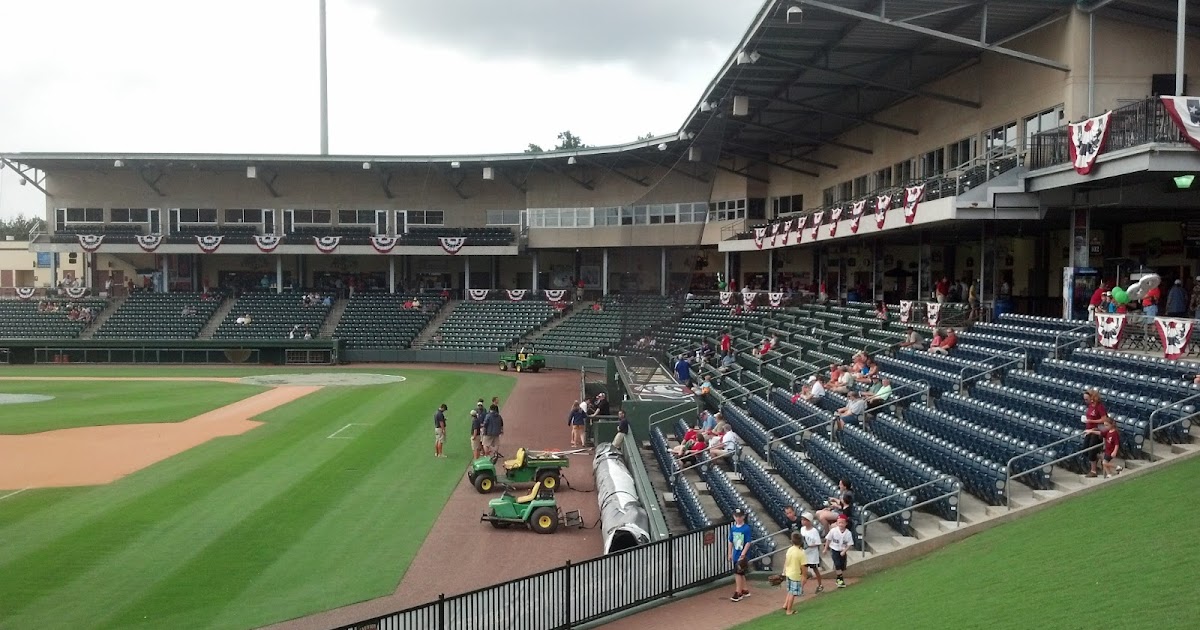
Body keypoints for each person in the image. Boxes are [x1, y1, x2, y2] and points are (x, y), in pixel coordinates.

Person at [1081, 389, 1109, 477]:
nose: (1086, 401)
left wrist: (1091, 420)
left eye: (1087, 399)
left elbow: (1104, 419)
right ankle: (1101, 457)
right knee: (1085, 449)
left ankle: (1093, 471)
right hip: (1089, 430)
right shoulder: (1090, 406)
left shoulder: (1099, 406)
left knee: (1092, 450)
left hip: (1097, 430)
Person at [823, 514, 854, 588]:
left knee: (842, 566)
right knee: (837, 565)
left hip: (842, 550)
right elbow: (828, 539)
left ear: (846, 523)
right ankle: (840, 580)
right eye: (839, 522)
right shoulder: (833, 531)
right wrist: (825, 548)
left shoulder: (848, 533)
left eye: (842, 523)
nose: (840, 524)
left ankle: (838, 578)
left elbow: (850, 544)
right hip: (834, 549)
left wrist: (844, 551)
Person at [729, 508, 752, 602]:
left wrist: (743, 554)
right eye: (736, 516)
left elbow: (748, 542)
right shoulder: (733, 528)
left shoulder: (746, 528)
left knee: (737, 572)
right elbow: (730, 541)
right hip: (736, 552)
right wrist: (729, 553)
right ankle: (745, 589)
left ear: (743, 517)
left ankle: (738, 592)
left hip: (742, 554)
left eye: (740, 516)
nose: (738, 518)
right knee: (740, 573)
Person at [799, 512, 824, 594]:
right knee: (804, 571)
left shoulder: (814, 531)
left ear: (809, 521)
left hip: (812, 554)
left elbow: (817, 543)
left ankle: (820, 585)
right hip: (805, 553)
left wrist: (809, 545)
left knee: (815, 569)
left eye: (805, 520)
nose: (803, 521)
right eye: (802, 520)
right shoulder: (802, 529)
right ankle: (801, 588)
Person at [782, 532, 805, 615]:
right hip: (795, 575)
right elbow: (803, 566)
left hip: (788, 573)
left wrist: (784, 571)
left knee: (790, 591)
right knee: (793, 593)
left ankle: (785, 605)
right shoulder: (801, 553)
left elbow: (786, 561)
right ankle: (789, 610)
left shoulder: (790, 549)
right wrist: (804, 576)